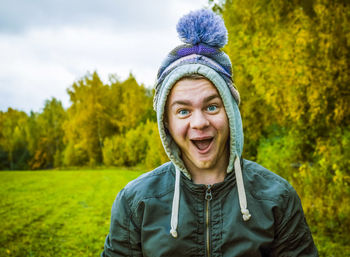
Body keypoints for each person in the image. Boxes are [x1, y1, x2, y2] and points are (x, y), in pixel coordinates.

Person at [102, 9, 318, 257]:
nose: (200, 122)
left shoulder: (277, 198)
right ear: (167, 123)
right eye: (183, 111)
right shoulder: (135, 202)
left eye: (212, 106)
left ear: (231, 113)